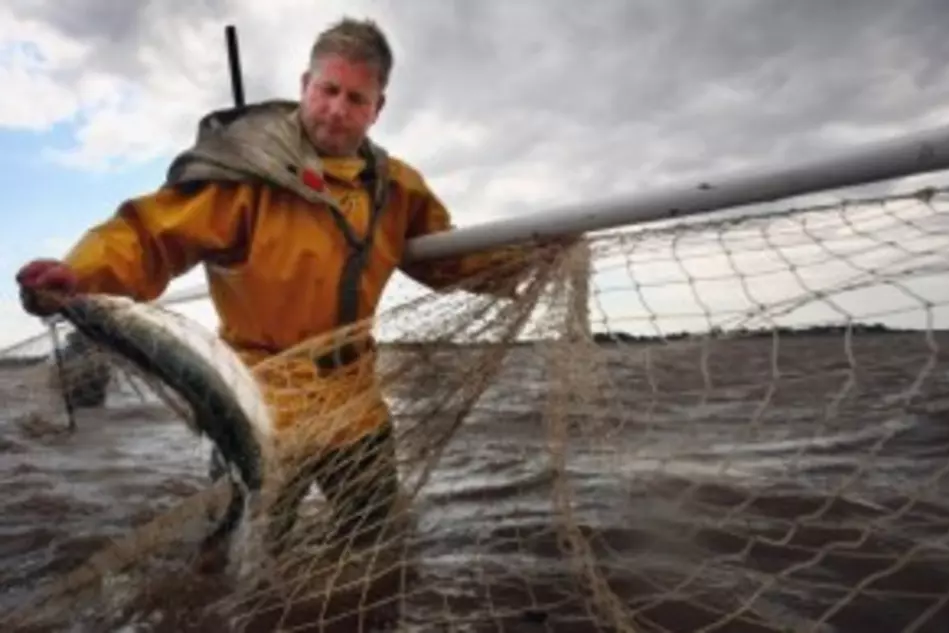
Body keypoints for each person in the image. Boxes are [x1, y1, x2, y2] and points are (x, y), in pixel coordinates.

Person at [15, 17, 561, 572]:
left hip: (356, 402)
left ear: (379, 108)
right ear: (305, 84)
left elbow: (450, 257)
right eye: (327, 91)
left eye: (356, 98)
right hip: (257, 401)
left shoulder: (397, 187)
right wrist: (78, 275)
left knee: (378, 552)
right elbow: (150, 236)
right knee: (234, 561)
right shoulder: (245, 175)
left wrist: (525, 261)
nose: (336, 110)